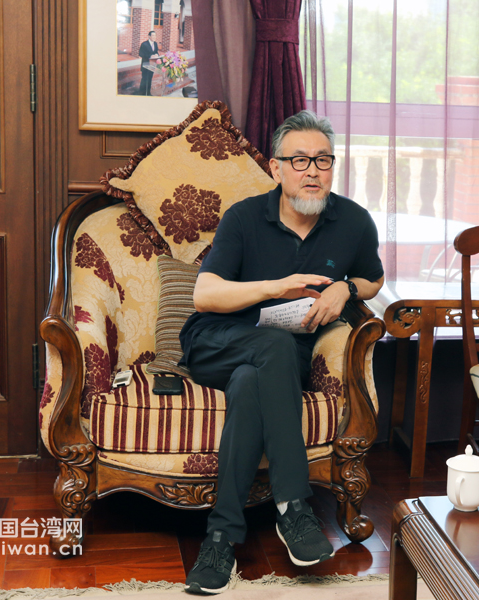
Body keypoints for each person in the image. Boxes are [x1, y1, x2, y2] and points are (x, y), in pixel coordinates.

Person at [179, 110, 385, 594]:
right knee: (268, 347)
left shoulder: (353, 221)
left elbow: (374, 278)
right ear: (276, 168)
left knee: (253, 380)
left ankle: (220, 537)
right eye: (299, 160)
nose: (312, 171)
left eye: (323, 160)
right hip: (216, 342)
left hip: (280, 360)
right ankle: (293, 507)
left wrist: (346, 288)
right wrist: (275, 287)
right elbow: (204, 295)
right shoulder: (245, 217)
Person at [138, 31, 160, 96]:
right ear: (149, 36)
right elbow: (140, 54)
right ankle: (142, 93)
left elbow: (156, 52)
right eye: (153, 35)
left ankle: (148, 93)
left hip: (152, 64)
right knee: (144, 79)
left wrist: (157, 55)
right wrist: (150, 56)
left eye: (155, 35)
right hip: (145, 64)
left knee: (150, 79)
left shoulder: (155, 43)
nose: (154, 37)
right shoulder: (144, 44)